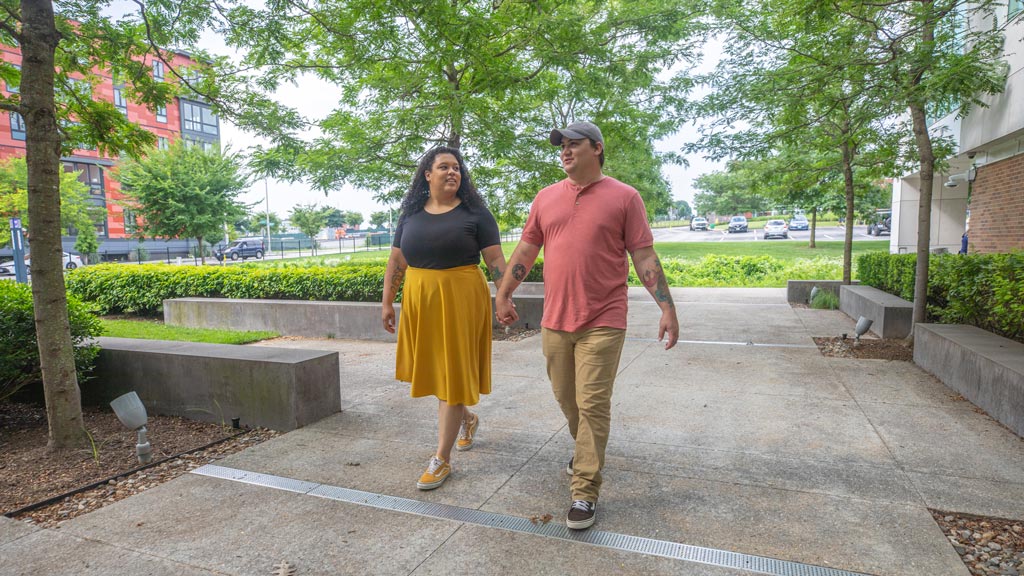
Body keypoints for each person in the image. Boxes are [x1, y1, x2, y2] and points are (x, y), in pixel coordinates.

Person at [495, 121, 679, 530]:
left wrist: (666, 307)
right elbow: (527, 248)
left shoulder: (625, 197)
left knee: (593, 403)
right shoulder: (545, 199)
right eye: (561, 146)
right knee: (567, 399)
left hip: (604, 318)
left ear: (596, 149)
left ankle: (584, 490)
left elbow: (644, 257)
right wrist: (504, 292)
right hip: (555, 319)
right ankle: (585, 451)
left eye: (573, 144)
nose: (564, 151)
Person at [382, 146, 508, 490]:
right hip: (421, 298)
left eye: (457, 168)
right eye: (443, 167)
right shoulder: (409, 216)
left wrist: (506, 297)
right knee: (439, 372)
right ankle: (466, 419)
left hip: (461, 298)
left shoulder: (476, 214)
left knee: (452, 374)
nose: (452, 172)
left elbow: (496, 262)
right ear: (428, 174)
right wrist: (387, 303)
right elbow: (396, 263)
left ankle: (442, 459)